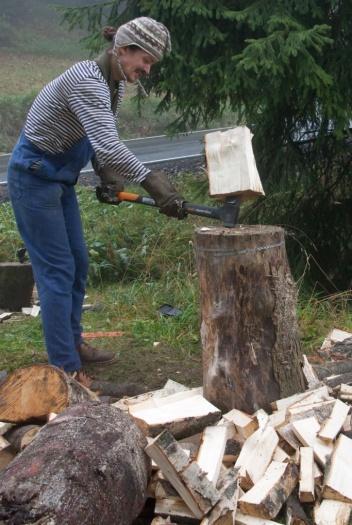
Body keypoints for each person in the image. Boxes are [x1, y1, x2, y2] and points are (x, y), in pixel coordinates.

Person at [7, 17, 186, 387]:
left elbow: (98, 139)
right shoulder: (87, 80)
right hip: (34, 176)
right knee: (57, 273)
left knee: (78, 264)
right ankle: (65, 368)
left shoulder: (113, 83)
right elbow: (107, 144)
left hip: (59, 178)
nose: (147, 69)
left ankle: (72, 344)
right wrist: (153, 182)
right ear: (124, 49)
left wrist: (107, 175)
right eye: (145, 60)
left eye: (152, 63)